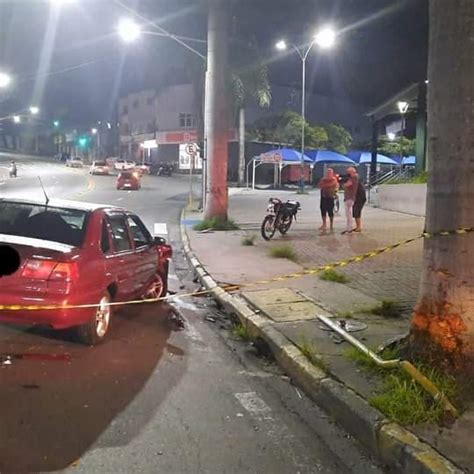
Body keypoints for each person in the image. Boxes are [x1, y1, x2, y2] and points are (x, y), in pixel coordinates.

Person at [318, 168, 339, 232]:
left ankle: (331, 225)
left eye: (330, 172)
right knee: (323, 210)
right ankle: (324, 224)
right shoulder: (323, 179)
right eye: (328, 172)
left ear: (332, 173)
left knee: (330, 211)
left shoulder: (334, 180)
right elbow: (320, 185)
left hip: (330, 197)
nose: (329, 174)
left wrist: (335, 191)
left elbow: (337, 186)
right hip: (324, 196)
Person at [342, 166, 358, 234]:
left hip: (350, 197)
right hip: (349, 197)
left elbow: (347, 185)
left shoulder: (353, 178)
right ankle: (349, 227)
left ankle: (349, 228)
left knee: (348, 213)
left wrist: (344, 185)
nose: (347, 173)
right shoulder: (352, 178)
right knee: (348, 213)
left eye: (348, 172)